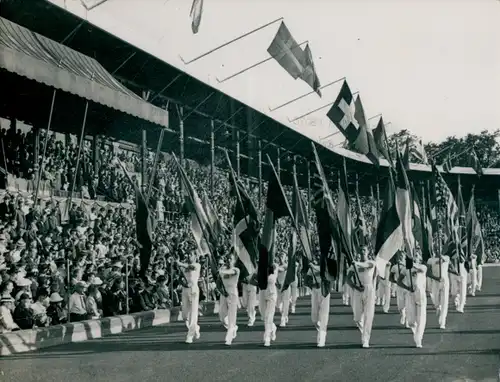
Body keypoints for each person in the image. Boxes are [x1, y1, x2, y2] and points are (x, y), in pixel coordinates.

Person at [348, 246, 376, 349]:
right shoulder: (354, 266)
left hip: (369, 289)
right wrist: (355, 287)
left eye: (364, 250)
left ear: (368, 251)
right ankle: (363, 331)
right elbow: (348, 279)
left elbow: (366, 265)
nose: (362, 252)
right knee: (357, 317)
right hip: (358, 290)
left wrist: (356, 263)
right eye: (360, 250)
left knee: (368, 316)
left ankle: (365, 339)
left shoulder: (372, 263)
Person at [398, 259, 427, 348]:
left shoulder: (423, 267)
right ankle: (416, 333)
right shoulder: (405, 269)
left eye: (416, 256)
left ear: (419, 258)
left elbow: (421, 270)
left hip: (420, 293)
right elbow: (399, 281)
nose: (413, 258)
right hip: (410, 293)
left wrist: (413, 265)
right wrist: (407, 287)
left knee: (421, 318)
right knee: (410, 321)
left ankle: (418, 339)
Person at [306, 255, 333, 348]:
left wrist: (313, 267)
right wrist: (312, 285)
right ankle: (320, 329)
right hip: (315, 291)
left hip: (324, 291)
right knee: (314, 318)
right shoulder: (311, 268)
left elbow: (326, 273)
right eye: (317, 255)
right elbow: (307, 279)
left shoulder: (326, 265)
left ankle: (322, 337)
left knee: (323, 315)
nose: (318, 257)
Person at [177, 252, 201, 344]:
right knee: (185, 315)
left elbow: (192, 267)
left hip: (193, 289)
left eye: (190, 254)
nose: (188, 256)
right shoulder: (184, 266)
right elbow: (180, 277)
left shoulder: (197, 265)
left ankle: (189, 336)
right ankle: (196, 328)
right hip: (185, 289)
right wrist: (183, 283)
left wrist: (180, 263)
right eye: (188, 254)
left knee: (193, 313)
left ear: (195, 256)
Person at [218, 255, 240, 345]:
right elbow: (219, 281)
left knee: (231, 316)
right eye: (227, 259)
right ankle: (233, 327)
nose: (228, 260)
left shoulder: (236, 270)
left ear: (234, 261)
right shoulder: (223, 269)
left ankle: (229, 337)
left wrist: (220, 271)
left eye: (231, 259)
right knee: (222, 316)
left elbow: (229, 272)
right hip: (224, 293)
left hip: (232, 294)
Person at [259, 260, 278, 347]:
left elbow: (275, 265)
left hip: (271, 296)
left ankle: (267, 338)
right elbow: (253, 280)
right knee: (264, 316)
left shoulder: (274, 273)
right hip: (262, 295)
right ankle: (273, 328)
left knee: (268, 316)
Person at [427, 253, 449, 329]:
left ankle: (442, 322)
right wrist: (436, 278)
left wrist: (441, 257)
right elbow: (428, 273)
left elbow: (446, 260)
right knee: (435, 301)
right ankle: (437, 307)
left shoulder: (446, 257)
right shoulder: (430, 260)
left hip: (444, 282)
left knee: (444, 302)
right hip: (435, 282)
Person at [390, 252, 408, 327]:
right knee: (400, 306)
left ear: (405, 257)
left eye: (402, 256)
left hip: (407, 287)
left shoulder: (409, 265)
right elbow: (390, 278)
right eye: (399, 256)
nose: (400, 257)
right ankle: (403, 315)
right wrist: (396, 281)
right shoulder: (394, 267)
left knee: (408, 305)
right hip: (400, 287)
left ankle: (407, 321)